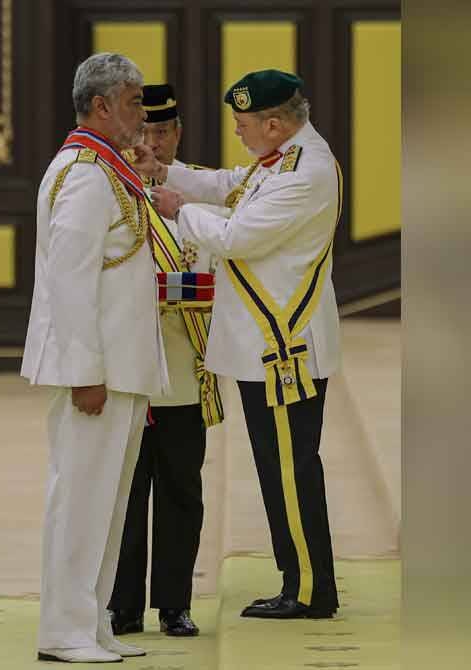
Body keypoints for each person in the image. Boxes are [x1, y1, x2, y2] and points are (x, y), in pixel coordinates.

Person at [135, 69, 343, 619]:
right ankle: (298, 579)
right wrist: (166, 173)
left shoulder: (307, 171)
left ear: (274, 124)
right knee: (280, 471)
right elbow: (233, 184)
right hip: (268, 348)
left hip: (283, 348)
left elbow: (235, 236)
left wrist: (179, 208)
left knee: (292, 473)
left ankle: (308, 590)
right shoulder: (283, 158)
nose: (237, 132)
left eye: (244, 123)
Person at [21, 52, 168, 663]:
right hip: (98, 370)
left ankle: (93, 622)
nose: (143, 113)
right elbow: (71, 280)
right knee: (81, 499)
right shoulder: (83, 174)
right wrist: (85, 373)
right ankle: (63, 629)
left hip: (122, 367)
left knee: (106, 503)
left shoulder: (111, 170)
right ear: (101, 105)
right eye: (135, 102)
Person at [107, 84, 223, 638]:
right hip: (129, 368)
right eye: (143, 132)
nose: (150, 143)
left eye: (162, 133)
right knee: (126, 492)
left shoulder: (200, 192)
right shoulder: (113, 190)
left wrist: (164, 288)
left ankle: (175, 603)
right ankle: (123, 604)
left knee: (182, 490)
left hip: (182, 367)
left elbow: (213, 279)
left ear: (176, 133)